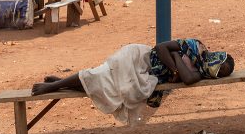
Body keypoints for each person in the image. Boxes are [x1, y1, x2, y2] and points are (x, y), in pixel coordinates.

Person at [30, 39, 234, 124]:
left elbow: (187, 78)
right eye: (220, 66)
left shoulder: (198, 73)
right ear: (217, 57)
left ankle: (65, 82)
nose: (217, 72)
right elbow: (160, 47)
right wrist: (175, 67)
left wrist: (177, 56)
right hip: (138, 58)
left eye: (220, 74)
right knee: (99, 76)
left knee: (108, 87)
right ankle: (54, 85)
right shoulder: (194, 45)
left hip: (146, 77)